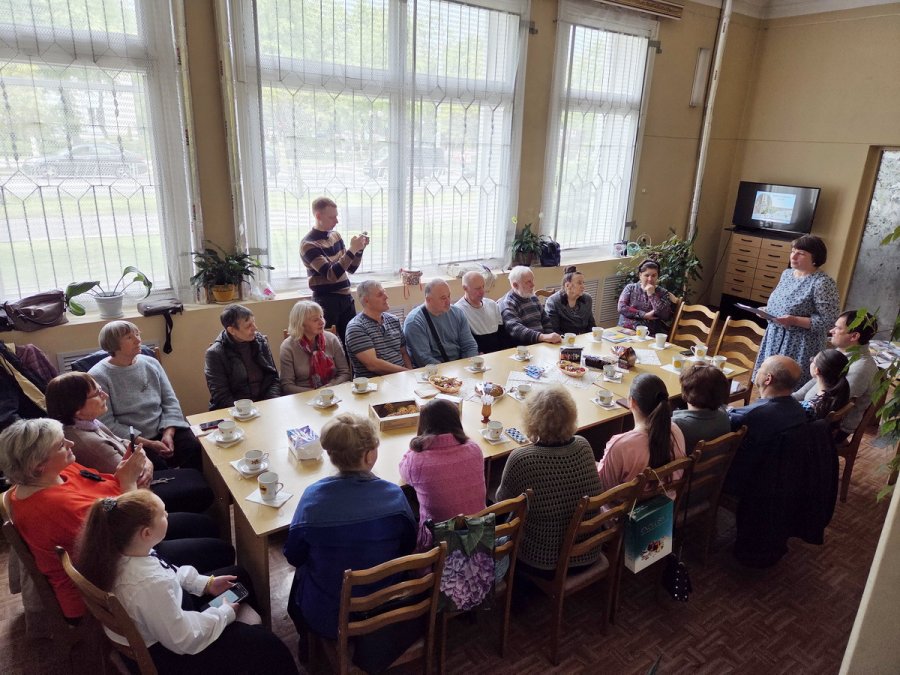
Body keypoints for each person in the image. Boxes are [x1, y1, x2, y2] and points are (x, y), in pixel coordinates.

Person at [0, 419, 234, 620]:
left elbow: (105, 489)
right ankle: (190, 603)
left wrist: (126, 473)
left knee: (206, 526)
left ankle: (198, 586)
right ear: (38, 466)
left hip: (125, 534)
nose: (70, 443)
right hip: (115, 571)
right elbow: (129, 532)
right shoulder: (57, 507)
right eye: (61, 444)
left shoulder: (55, 473)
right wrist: (131, 483)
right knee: (220, 550)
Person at [77, 491, 297, 674]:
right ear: (147, 533)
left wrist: (206, 583)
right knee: (270, 647)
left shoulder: (124, 551)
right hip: (174, 655)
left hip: (170, 620)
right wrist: (224, 614)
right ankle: (248, 649)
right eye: (163, 514)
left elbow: (168, 571)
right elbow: (184, 639)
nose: (168, 515)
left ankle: (244, 652)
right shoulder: (148, 585)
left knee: (239, 578)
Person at [284, 413, 416, 647]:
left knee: (303, 574)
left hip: (329, 614)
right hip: (386, 602)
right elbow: (408, 546)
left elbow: (294, 555)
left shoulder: (312, 500)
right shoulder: (394, 497)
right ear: (369, 455)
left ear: (330, 455)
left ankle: (307, 645)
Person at [46, 372, 214, 514]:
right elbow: (134, 477)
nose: (105, 395)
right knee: (201, 489)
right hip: (134, 498)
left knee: (194, 475)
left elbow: (127, 443)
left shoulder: (88, 422)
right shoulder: (87, 443)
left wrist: (145, 460)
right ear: (78, 409)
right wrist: (145, 461)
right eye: (97, 394)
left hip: (139, 481)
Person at [495, 386, 602, 578]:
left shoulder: (521, 457)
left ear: (530, 419)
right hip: (588, 551)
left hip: (540, 560)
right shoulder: (584, 445)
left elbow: (501, 504)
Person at [88, 321, 202, 470]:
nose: (138, 340)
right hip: (131, 439)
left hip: (163, 428)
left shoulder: (151, 363)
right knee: (156, 466)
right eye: (129, 337)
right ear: (113, 344)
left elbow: (170, 401)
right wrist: (148, 444)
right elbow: (107, 424)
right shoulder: (98, 376)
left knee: (194, 446)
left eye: (137, 334)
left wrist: (168, 433)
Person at [752, 234, 840, 389]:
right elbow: (781, 304)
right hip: (774, 337)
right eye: (793, 251)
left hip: (800, 345)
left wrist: (794, 320)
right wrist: (766, 311)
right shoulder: (787, 274)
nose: (793, 256)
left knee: (787, 389)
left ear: (815, 258)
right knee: (768, 384)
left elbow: (829, 321)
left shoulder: (822, 283)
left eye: (801, 253)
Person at [399, 399, 486, 549]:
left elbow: (403, 471)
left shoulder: (417, 460)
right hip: (479, 539)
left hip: (438, 549)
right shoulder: (474, 449)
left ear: (424, 425)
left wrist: (417, 444)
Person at [726, 355, 807, 496]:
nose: (757, 370)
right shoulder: (799, 410)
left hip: (743, 481)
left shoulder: (748, 416)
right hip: (777, 477)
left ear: (768, 379)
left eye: (760, 368)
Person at [597, 373, 687, 491]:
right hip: (666, 504)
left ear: (631, 402)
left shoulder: (621, 446)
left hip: (625, 509)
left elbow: (605, 490)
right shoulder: (675, 431)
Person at [300, 196, 369, 341]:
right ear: (318, 216)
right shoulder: (308, 244)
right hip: (326, 302)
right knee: (327, 346)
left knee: (352, 342)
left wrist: (359, 249)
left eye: (336, 216)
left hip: (346, 298)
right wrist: (352, 249)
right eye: (332, 217)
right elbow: (331, 274)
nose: (336, 221)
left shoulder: (335, 236)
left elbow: (351, 268)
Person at [204, 304, 281, 411]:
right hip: (236, 412)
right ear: (232, 330)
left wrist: (271, 403)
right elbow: (221, 396)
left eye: (254, 322)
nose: (255, 328)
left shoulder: (260, 341)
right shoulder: (215, 353)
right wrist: (246, 411)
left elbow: (273, 378)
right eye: (248, 326)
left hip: (264, 406)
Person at [280, 300, 351, 394]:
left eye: (321, 317)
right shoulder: (288, 347)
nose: (322, 322)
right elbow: (287, 386)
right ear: (301, 324)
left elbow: (345, 372)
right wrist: (316, 392)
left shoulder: (331, 339)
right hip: (304, 396)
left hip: (334, 391)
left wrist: (330, 387)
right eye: (315, 320)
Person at [344, 280, 413, 378]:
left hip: (401, 378)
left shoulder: (393, 320)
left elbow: (404, 352)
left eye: (384, 292)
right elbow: (373, 365)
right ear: (366, 300)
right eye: (380, 294)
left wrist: (410, 374)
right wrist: (406, 373)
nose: (386, 296)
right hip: (374, 385)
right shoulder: (356, 327)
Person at [828, 310, 879, 438]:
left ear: (854, 336)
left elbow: (831, 405)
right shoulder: (842, 352)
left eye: (838, 328)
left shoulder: (861, 368)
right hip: (823, 416)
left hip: (834, 428)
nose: (831, 331)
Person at [403, 279, 478, 367]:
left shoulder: (457, 313)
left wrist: (468, 366)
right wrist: (450, 372)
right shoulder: (415, 322)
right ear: (428, 300)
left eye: (449, 296)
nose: (448, 301)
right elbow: (423, 358)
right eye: (443, 298)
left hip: (460, 367)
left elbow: (469, 345)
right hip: (434, 373)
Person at [672, 364, 732, 453]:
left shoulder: (676, 424)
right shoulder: (724, 414)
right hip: (717, 465)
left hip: (688, 467)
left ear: (685, 393)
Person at [498, 266, 561, 345]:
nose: (533, 285)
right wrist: (543, 337)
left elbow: (545, 319)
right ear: (515, 285)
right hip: (524, 348)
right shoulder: (507, 303)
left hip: (542, 343)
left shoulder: (532, 297)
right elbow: (516, 329)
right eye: (528, 282)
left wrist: (549, 338)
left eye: (532, 280)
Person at [617, 259, 674, 335]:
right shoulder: (630, 288)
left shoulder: (663, 293)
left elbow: (665, 315)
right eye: (646, 275)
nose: (650, 279)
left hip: (649, 334)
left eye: (654, 275)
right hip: (626, 331)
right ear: (640, 275)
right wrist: (644, 315)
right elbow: (622, 307)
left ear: (658, 276)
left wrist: (652, 294)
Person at [455, 270, 505, 353]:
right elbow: (465, 343)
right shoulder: (459, 310)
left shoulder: (492, 304)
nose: (482, 291)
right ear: (465, 288)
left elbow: (502, 335)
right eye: (477, 288)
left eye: (483, 287)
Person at [793, 349, 850, 421]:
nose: (810, 360)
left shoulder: (811, 407)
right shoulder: (840, 392)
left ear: (817, 370)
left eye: (813, 360)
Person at [545, 266, 594, 335]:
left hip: (584, 340)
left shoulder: (587, 299)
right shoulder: (553, 302)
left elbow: (591, 326)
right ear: (568, 285)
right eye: (579, 283)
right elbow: (554, 331)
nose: (583, 286)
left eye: (583, 283)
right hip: (564, 342)